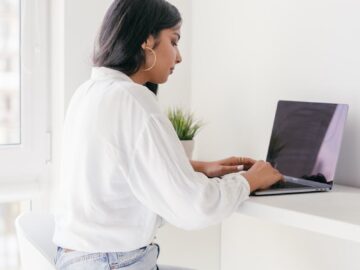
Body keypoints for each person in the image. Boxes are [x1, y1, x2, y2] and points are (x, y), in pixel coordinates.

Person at [52, 0, 283, 269]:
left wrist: (195, 167)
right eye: (174, 41)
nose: (179, 56)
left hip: (78, 258)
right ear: (147, 41)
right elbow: (194, 208)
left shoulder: (89, 92)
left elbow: (113, 169)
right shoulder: (133, 98)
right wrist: (249, 180)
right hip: (113, 262)